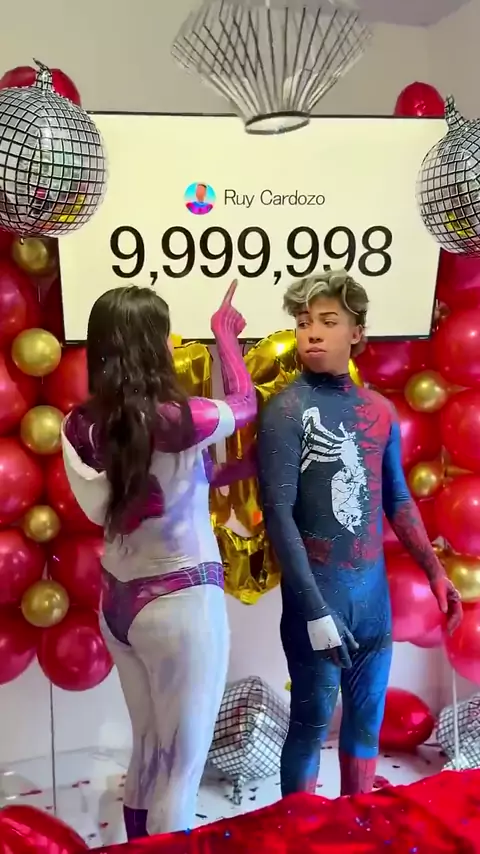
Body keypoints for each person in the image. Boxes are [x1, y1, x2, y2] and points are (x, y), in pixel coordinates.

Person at [61, 281, 256, 839]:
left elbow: (156, 483)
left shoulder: (79, 424)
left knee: (147, 750)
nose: (173, 343)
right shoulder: (177, 417)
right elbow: (245, 404)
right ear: (149, 343)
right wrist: (225, 337)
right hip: (180, 600)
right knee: (181, 771)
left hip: (119, 601)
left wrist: (239, 472)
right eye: (166, 333)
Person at [256, 270, 462, 798]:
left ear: (357, 332)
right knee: (310, 725)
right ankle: (297, 831)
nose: (312, 333)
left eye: (328, 321)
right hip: (317, 601)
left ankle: (360, 824)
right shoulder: (285, 411)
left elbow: (398, 499)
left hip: (373, 604)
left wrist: (435, 573)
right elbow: (278, 515)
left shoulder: (379, 411)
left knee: (366, 722)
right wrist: (313, 611)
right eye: (304, 322)